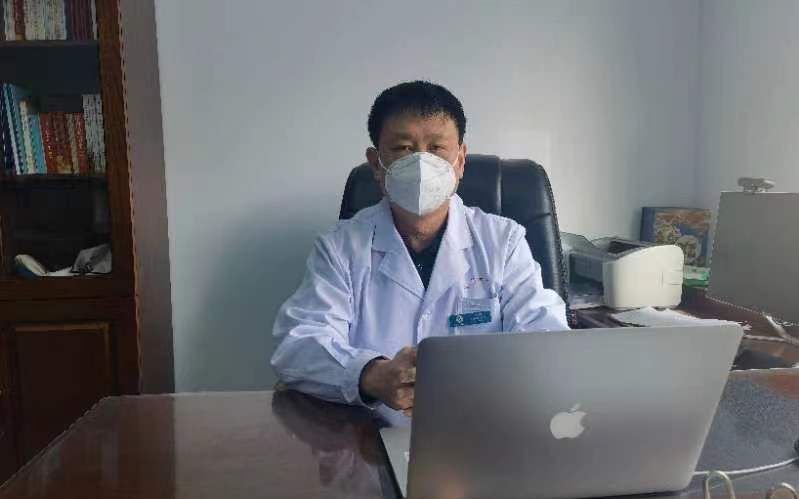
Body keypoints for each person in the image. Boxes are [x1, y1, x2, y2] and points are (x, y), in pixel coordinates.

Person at [271, 81, 569, 416]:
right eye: (403, 149)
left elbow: (546, 338)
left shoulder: (503, 241)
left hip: (482, 425)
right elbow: (298, 345)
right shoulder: (340, 248)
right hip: (370, 432)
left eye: (436, 148)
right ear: (376, 165)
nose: (422, 164)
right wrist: (371, 375)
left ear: (460, 161)